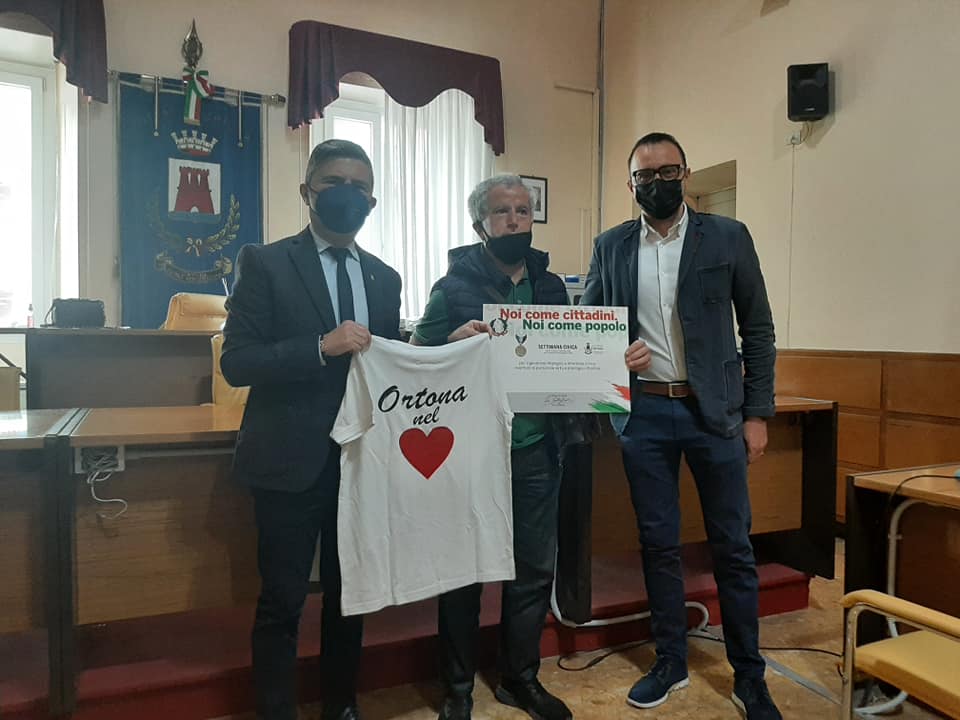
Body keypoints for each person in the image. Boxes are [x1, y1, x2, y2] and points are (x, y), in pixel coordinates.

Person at [581, 132, 781, 720]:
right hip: (644, 413)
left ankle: (750, 675)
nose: (657, 183)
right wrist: (615, 353)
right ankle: (670, 660)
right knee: (658, 544)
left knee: (733, 546)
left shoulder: (728, 236)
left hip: (715, 413)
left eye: (668, 171)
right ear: (631, 184)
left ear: (686, 175)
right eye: (645, 176)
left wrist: (757, 413)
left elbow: (758, 329)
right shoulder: (611, 246)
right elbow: (591, 325)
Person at [221, 139, 402, 720]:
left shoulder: (385, 277)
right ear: (307, 192)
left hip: (361, 460)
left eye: (359, 187)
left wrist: (444, 347)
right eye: (333, 184)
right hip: (288, 459)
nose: (347, 195)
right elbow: (237, 362)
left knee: (351, 598)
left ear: (372, 201)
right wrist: (318, 347)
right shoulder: (266, 262)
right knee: (282, 601)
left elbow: (389, 364)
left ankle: (341, 706)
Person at [411, 174, 574, 720]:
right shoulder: (451, 287)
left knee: (533, 571)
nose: (514, 220)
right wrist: (447, 344)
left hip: (536, 449)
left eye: (523, 210)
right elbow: (414, 358)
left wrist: (608, 365)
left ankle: (519, 679)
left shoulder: (552, 287)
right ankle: (457, 688)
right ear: (479, 223)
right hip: (470, 453)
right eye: (502, 212)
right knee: (464, 571)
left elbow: (572, 358)